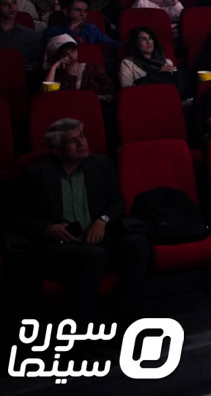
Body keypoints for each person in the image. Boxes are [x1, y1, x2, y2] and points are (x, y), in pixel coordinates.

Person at [15, 118, 150, 319]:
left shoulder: (101, 165)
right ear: (57, 149)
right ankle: (84, 327)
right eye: (73, 141)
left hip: (94, 239)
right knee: (94, 256)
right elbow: (16, 218)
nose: (82, 143)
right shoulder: (35, 174)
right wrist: (48, 229)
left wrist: (102, 220)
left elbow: (117, 203)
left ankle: (126, 316)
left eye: (82, 136)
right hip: (58, 247)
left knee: (138, 244)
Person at [43, 34, 115, 101]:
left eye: (73, 51)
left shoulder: (93, 68)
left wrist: (95, 98)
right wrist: (54, 66)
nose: (71, 57)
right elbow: (47, 97)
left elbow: (110, 95)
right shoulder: (57, 75)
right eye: (65, 55)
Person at [0, 0, 45, 72]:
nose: (11, 7)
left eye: (14, 3)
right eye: (5, 4)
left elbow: (36, 65)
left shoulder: (32, 36)